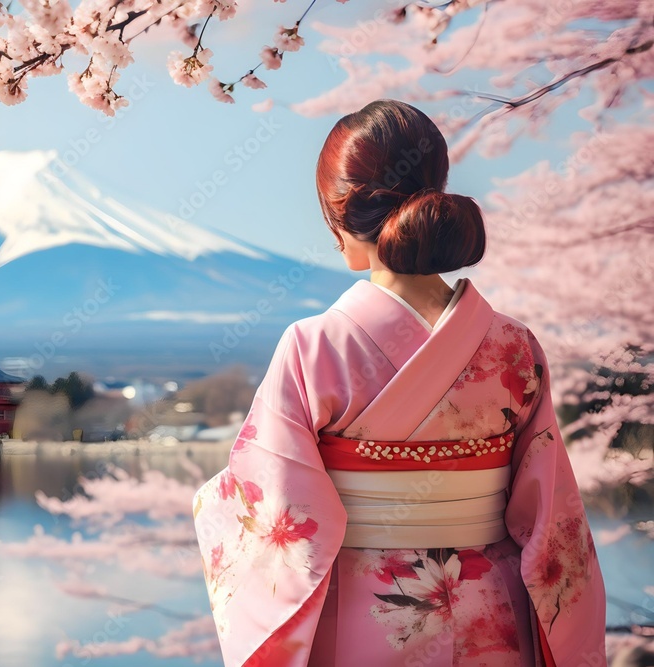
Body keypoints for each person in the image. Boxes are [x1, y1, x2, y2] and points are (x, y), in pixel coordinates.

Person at [192, 99, 606, 667]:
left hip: (361, 618)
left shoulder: (314, 348)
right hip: (492, 613)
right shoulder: (513, 346)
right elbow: (551, 516)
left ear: (340, 217)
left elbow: (271, 516)